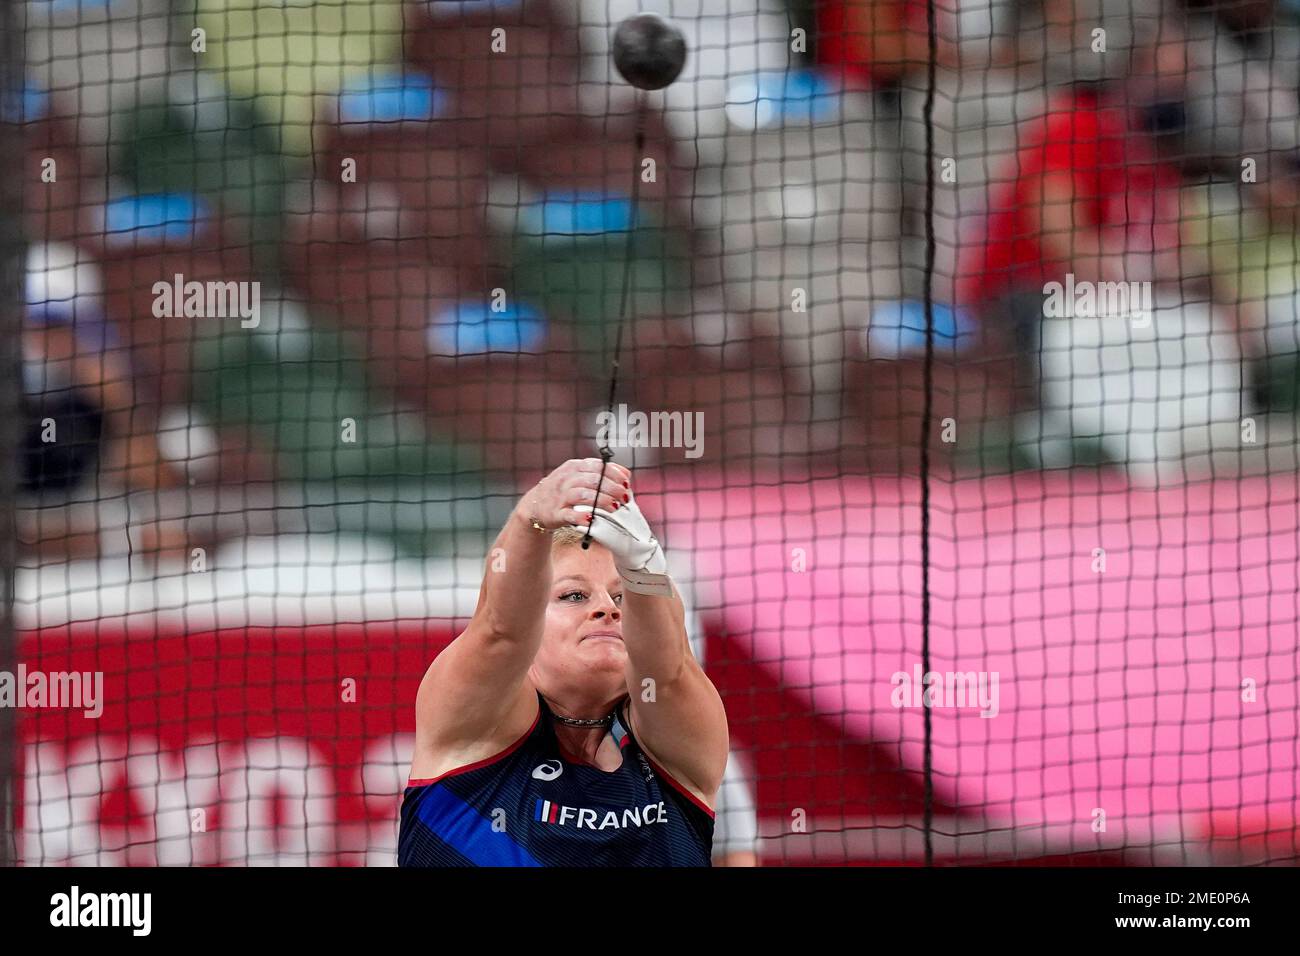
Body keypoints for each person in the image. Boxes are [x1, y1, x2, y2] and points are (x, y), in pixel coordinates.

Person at [398, 458, 729, 866]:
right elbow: (501, 631)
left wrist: (643, 563)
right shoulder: (474, 727)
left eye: (621, 597)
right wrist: (530, 518)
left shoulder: (678, 748)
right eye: (574, 595)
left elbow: (668, 670)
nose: (607, 609)